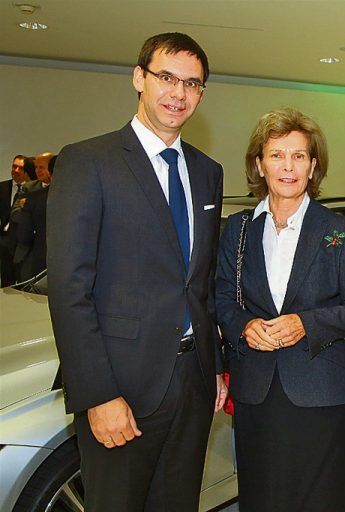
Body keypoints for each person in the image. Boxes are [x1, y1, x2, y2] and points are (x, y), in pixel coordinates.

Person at [47, 32, 227, 511]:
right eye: (166, 77)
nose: (178, 93)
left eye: (192, 83)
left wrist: (216, 367)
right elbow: (69, 289)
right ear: (138, 78)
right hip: (120, 387)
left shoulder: (207, 171)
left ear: (201, 94)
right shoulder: (88, 162)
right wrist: (97, 395)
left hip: (192, 384)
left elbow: (202, 282)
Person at [216, 107, 345, 512]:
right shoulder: (238, 230)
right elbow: (221, 298)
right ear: (259, 164)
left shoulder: (340, 230)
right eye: (276, 155)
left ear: (313, 166)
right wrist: (244, 326)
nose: (288, 167)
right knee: (264, 499)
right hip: (257, 393)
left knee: (324, 501)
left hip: (320, 393)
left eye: (299, 156)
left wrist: (306, 323)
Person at [16, 154, 56, 280]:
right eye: (36, 167)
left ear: (51, 170)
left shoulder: (35, 198)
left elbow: (24, 235)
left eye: (41, 167)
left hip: (41, 258)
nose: (38, 171)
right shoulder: (29, 188)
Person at [0, 155, 27, 286]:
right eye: (14, 166)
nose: (16, 170)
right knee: (6, 280)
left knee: (23, 279)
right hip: (4, 240)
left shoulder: (33, 189)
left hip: (23, 241)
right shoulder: (2, 187)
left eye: (20, 168)